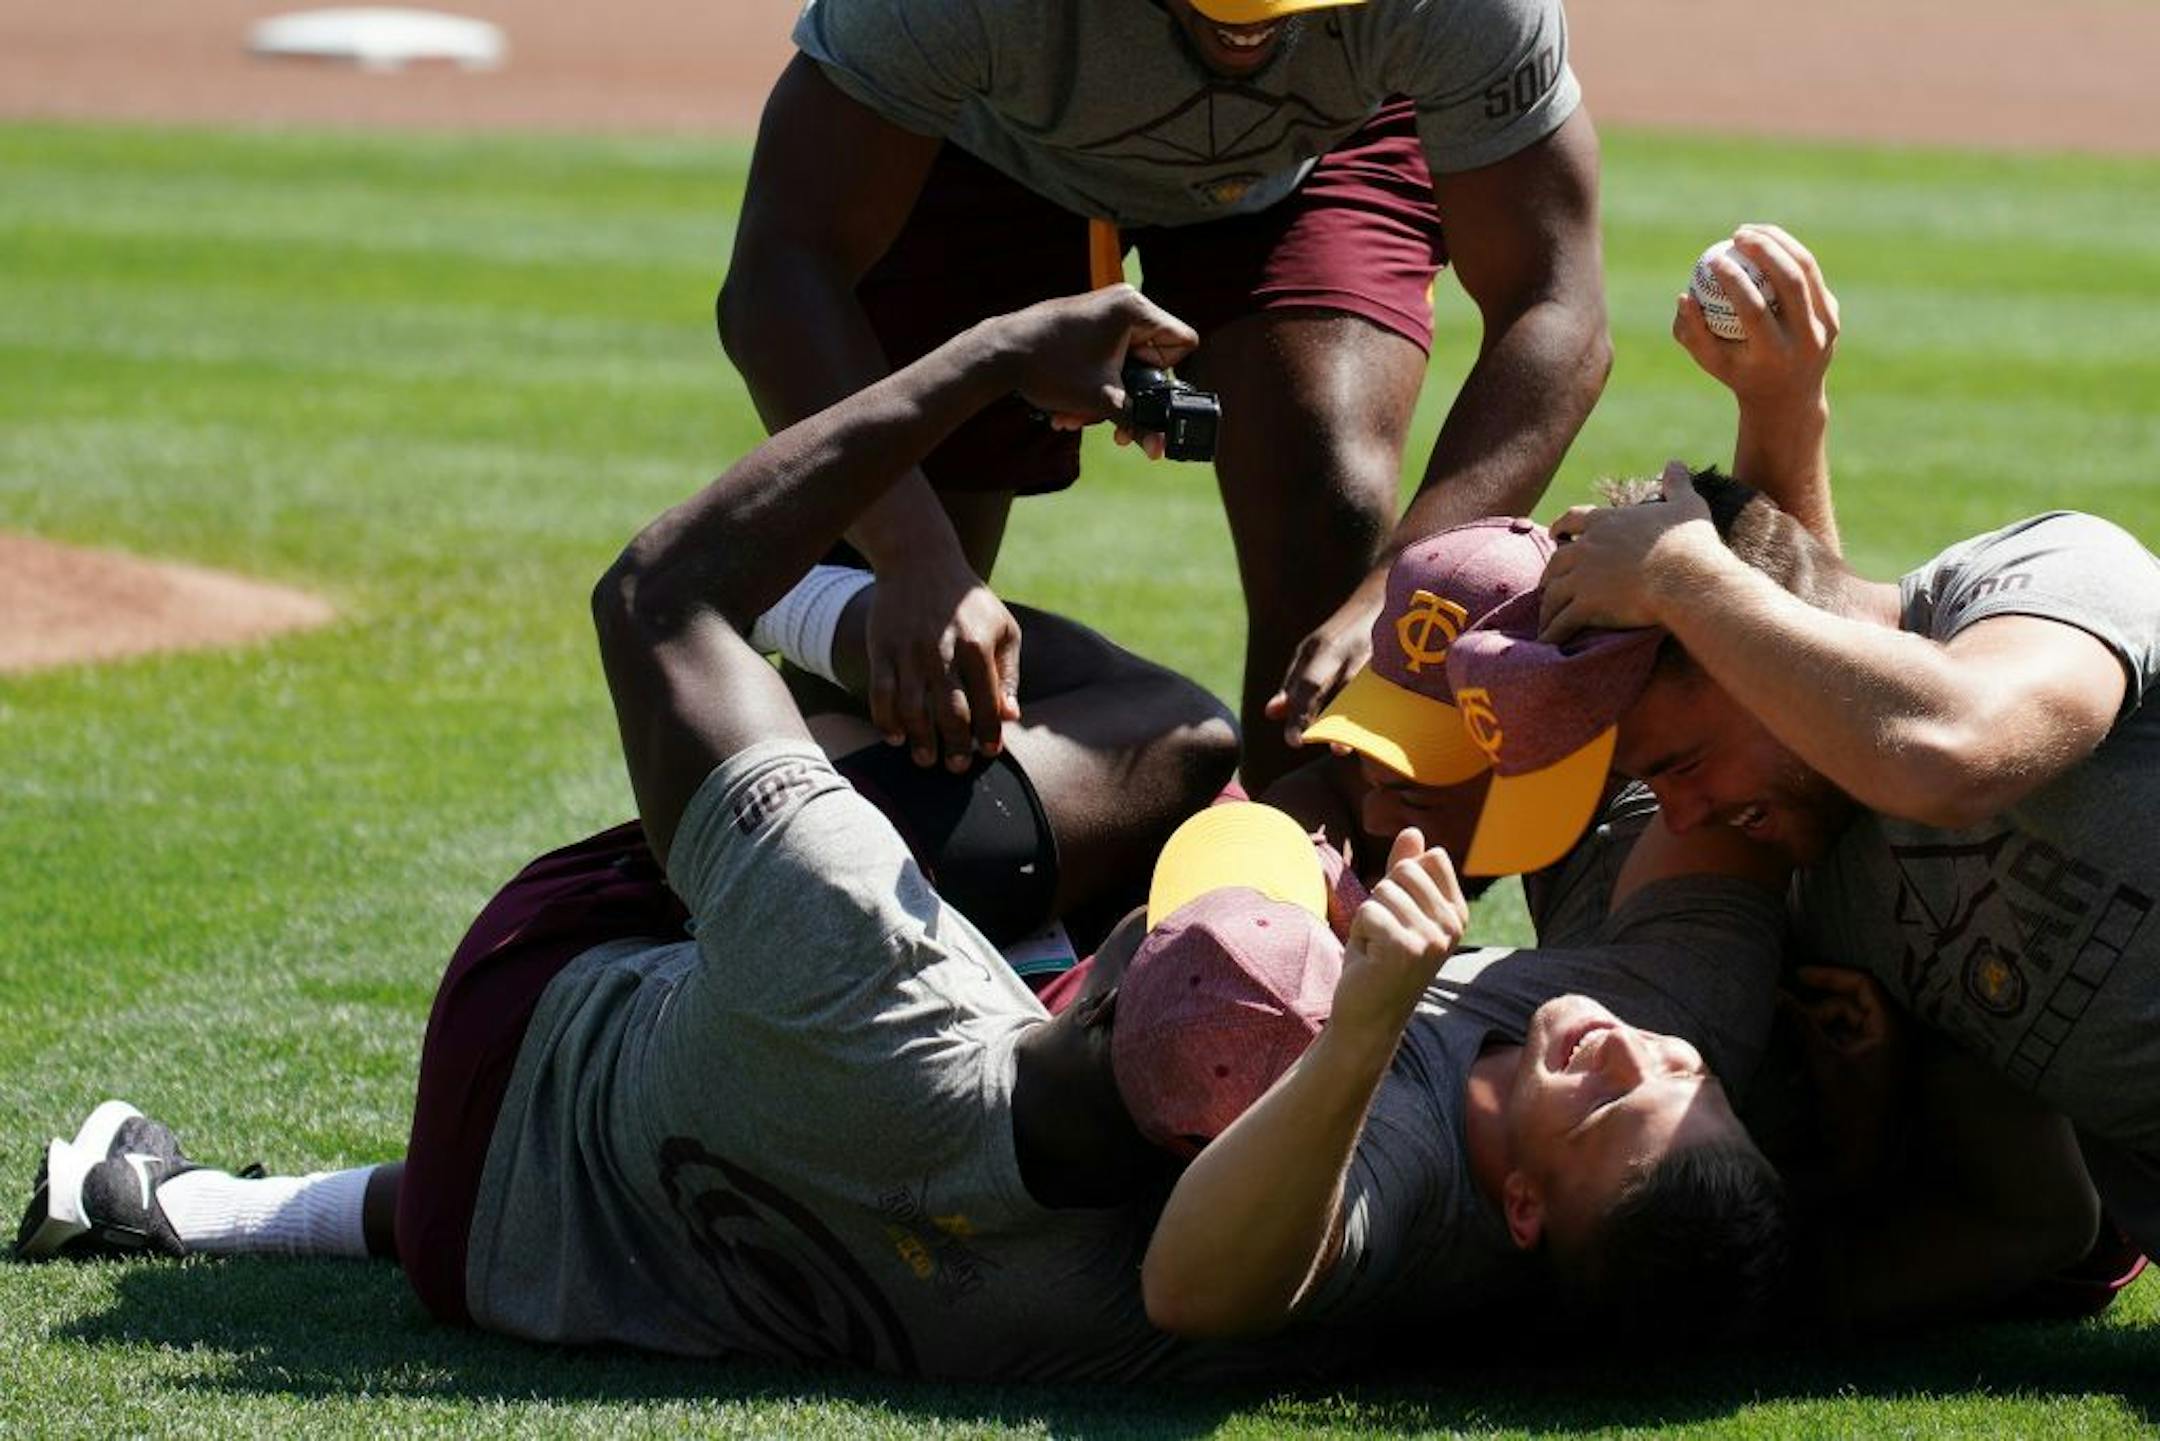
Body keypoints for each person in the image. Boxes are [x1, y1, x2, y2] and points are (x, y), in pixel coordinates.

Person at [19, 289, 1783, 1372]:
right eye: (1675, 1068)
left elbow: (648, 597)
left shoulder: (889, 989)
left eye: (1617, 1099)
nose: (1636, 1047)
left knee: (1156, 751)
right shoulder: (1562, 1224)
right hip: (555, 1247)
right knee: (745, 1138)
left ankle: (853, 627)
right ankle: (205, 1203)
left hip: (546, 1018)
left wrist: (985, 368)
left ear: (1089, 987)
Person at [719, 0, 1611, 790]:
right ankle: (828, 867)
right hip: (981, 139)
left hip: (1318, 153)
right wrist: (912, 551)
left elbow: (1558, 305)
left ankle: (1292, 912)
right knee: (897, 607)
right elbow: (782, 267)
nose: (1247, 23)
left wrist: (1402, 588)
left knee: (1329, 494)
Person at [1535, 225, 2160, 1322]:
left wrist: (1686, 573)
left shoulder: (2041, 573)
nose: (1679, 814)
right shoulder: (1831, 875)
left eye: (1679, 762)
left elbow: (1951, 749)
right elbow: (2029, 1216)